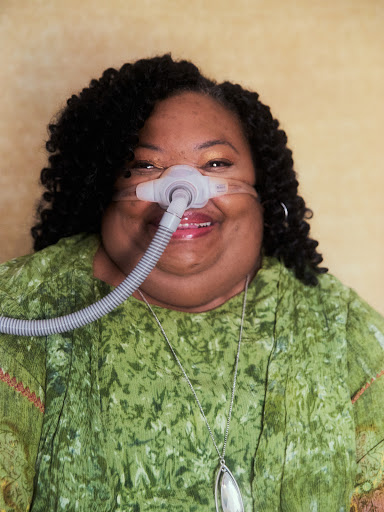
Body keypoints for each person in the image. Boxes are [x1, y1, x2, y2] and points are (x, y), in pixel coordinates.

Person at [0, 54, 383, 512]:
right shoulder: (24, 309)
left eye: (216, 163)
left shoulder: (334, 323)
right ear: (100, 184)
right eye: (144, 166)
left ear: (265, 187)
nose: (182, 190)